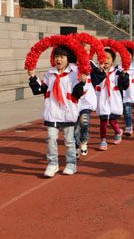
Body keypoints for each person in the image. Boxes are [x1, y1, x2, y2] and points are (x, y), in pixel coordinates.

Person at [28, 45, 86, 177]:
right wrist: (32, 77)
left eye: (62, 57)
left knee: (69, 140)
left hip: (68, 112)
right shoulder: (50, 73)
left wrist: (82, 82)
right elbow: (39, 90)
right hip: (52, 112)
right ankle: (52, 163)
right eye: (56, 56)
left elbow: (78, 93)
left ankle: (71, 164)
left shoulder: (75, 72)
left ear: (68, 58)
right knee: (51, 138)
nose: (58, 59)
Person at [93, 49, 130, 151]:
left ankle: (118, 131)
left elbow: (125, 85)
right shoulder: (96, 71)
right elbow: (94, 82)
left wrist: (124, 75)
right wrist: (99, 71)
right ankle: (103, 140)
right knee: (103, 120)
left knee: (112, 120)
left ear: (113, 60)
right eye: (103, 58)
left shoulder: (118, 72)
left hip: (114, 98)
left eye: (108, 58)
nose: (106, 61)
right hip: (102, 98)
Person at [74, 43, 97, 157]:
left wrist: (101, 68)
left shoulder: (91, 64)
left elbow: (99, 76)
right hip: (73, 99)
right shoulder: (71, 65)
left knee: (84, 122)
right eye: (84, 50)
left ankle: (84, 142)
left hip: (86, 100)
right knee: (74, 127)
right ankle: (75, 147)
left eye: (88, 50)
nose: (86, 53)